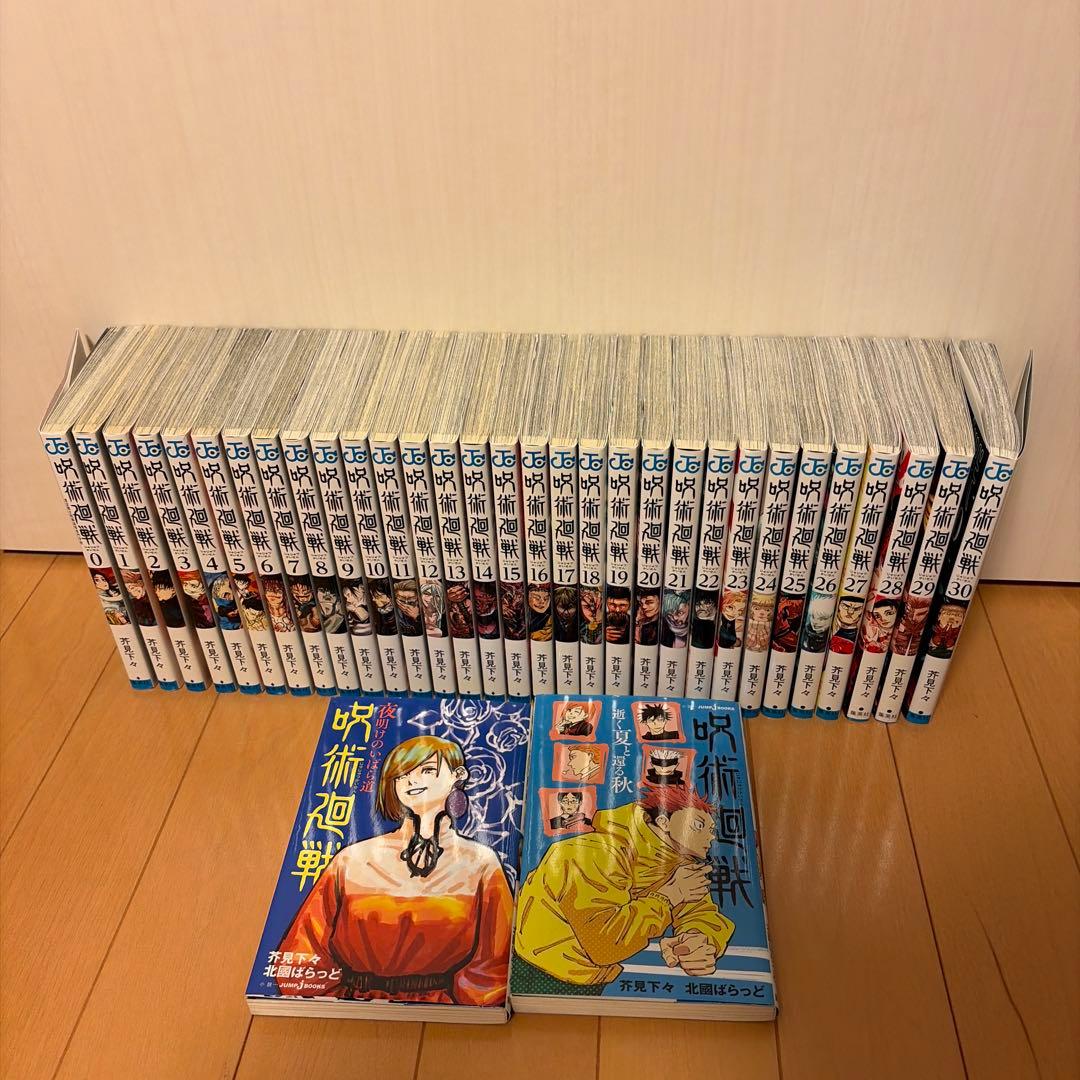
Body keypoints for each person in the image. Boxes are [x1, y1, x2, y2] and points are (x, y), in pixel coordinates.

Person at [276, 735, 513, 1006]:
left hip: (447, 1011)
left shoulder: (481, 863)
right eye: (402, 775)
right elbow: (304, 951)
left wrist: (452, 1008)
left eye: (427, 770)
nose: (412, 781)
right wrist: (341, 1004)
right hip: (348, 1006)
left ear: (458, 776)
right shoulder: (351, 859)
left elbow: (495, 963)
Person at [515, 785, 734, 994]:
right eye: (697, 825)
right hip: (539, 971)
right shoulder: (589, 853)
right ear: (663, 822)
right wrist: (668, 897)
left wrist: (697, 941)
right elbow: (604, 945)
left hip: (594, 978)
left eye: (711, 830)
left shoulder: (680, 864)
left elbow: (699, 912)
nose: (710, 837)